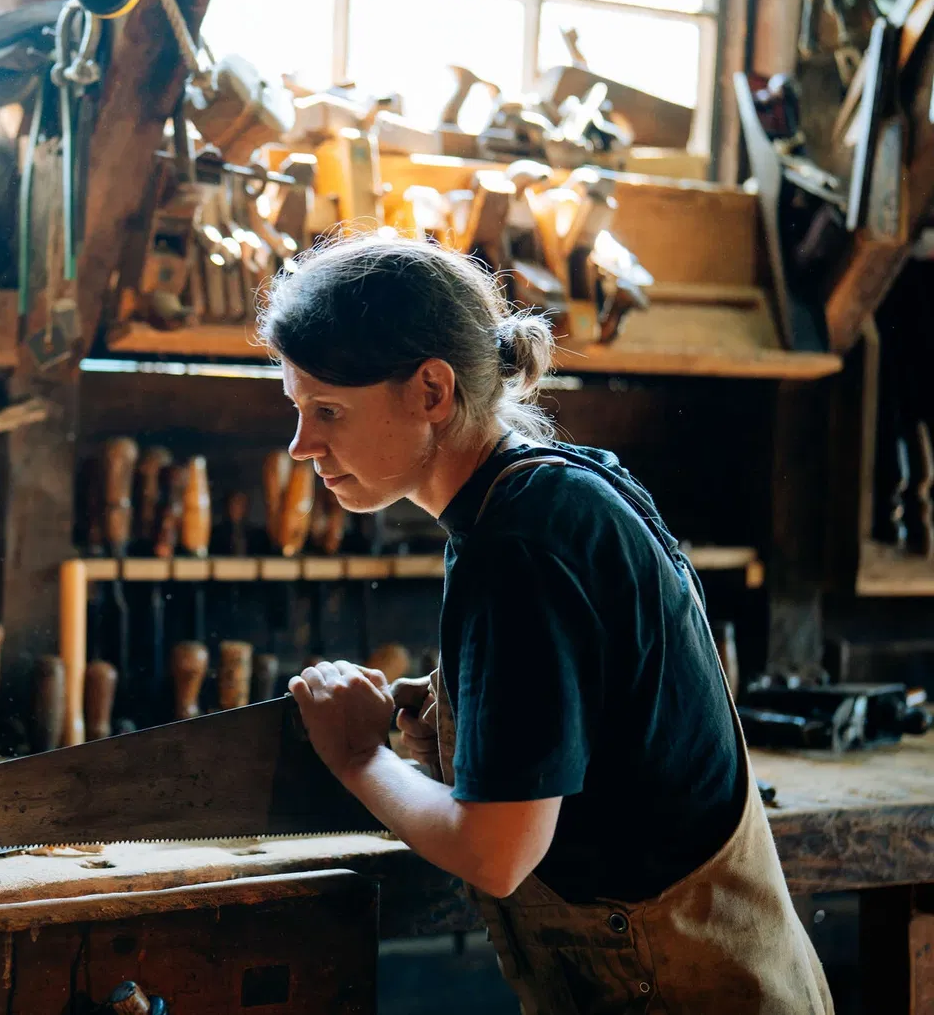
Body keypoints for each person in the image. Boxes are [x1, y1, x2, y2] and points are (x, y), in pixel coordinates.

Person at [264, 233, 832, 1013]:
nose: (302, 446)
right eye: (297, 410)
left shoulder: (520, 544)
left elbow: (496, 854)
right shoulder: (552, 489)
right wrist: (460, 730)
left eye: (328, 410)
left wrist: (360, 758)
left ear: (431, 391)